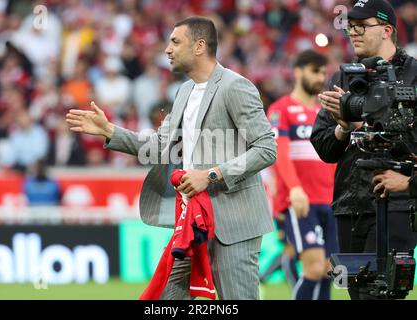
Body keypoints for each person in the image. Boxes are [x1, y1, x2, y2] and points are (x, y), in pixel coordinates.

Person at [66, 16, 277, 300]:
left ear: (200, 46)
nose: (167, 49)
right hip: (193, 220)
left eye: (176, 41)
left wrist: (211, 174)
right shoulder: (184, 91)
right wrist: (111, 132)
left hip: (233, 222)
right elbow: (160, 146)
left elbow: (266, 148)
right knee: (166, 298)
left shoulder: (235, 87)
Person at [310, 0, 417, 300]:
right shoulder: (343, 76)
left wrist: (409, 182)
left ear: (386, 30)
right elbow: (324, 147)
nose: (353, 33)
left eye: (361, 27)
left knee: (380, 296)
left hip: (397, 203)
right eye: (351, 28)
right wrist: (344, 127)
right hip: (349, 206)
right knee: (358, 295)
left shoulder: (414, 75)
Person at [267, 49, 338, 300]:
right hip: (302, 202)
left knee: (329, 270)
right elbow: (280, 155)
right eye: (314, 71)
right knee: (314, 267)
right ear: (298, 71)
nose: (320, 78)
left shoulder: (327, 112)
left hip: (330, 200)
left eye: (323, 72)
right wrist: (295, 189)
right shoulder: (281, 109)